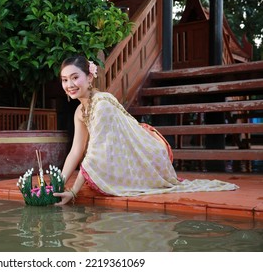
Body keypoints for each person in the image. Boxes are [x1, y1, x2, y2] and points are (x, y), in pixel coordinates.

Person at [53, 56, 238, 206]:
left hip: (146, 155)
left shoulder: (102, 104)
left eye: (75, 77)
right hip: (123, 156)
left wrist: (73, 191)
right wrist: (57, 184)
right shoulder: (80, 111)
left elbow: (96, 152)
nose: (70, 84)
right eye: (65, 80)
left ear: (90, 77)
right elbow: (76, 151)